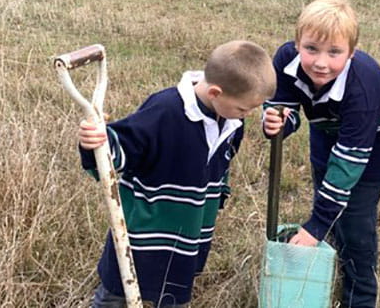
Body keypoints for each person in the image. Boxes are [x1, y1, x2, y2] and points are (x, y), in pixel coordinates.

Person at [77, 40, 276, 307]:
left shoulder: (231, 121)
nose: (247, 115)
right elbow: (116, 154)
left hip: (188, 234)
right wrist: (95, 142)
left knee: (172, 295)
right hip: (143, 235)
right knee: (116, 295)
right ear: (216, 92)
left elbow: (221, 162)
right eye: (243, 108)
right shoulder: (164, 111)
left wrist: (219, 193)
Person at [262, 0, 380, 308]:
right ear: (297, 43)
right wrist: (278, 121)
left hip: (373, 138)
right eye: (311, 49)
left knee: (355, 219)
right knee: (325, 188)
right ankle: (332, 270)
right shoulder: (286, 59)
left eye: (335, 52)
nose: (321, 63)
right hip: (326, 125)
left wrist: (315, 226)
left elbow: (348, 164)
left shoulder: (363, 85)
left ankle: (361, 296)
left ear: (351, 53)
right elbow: (283, 104)